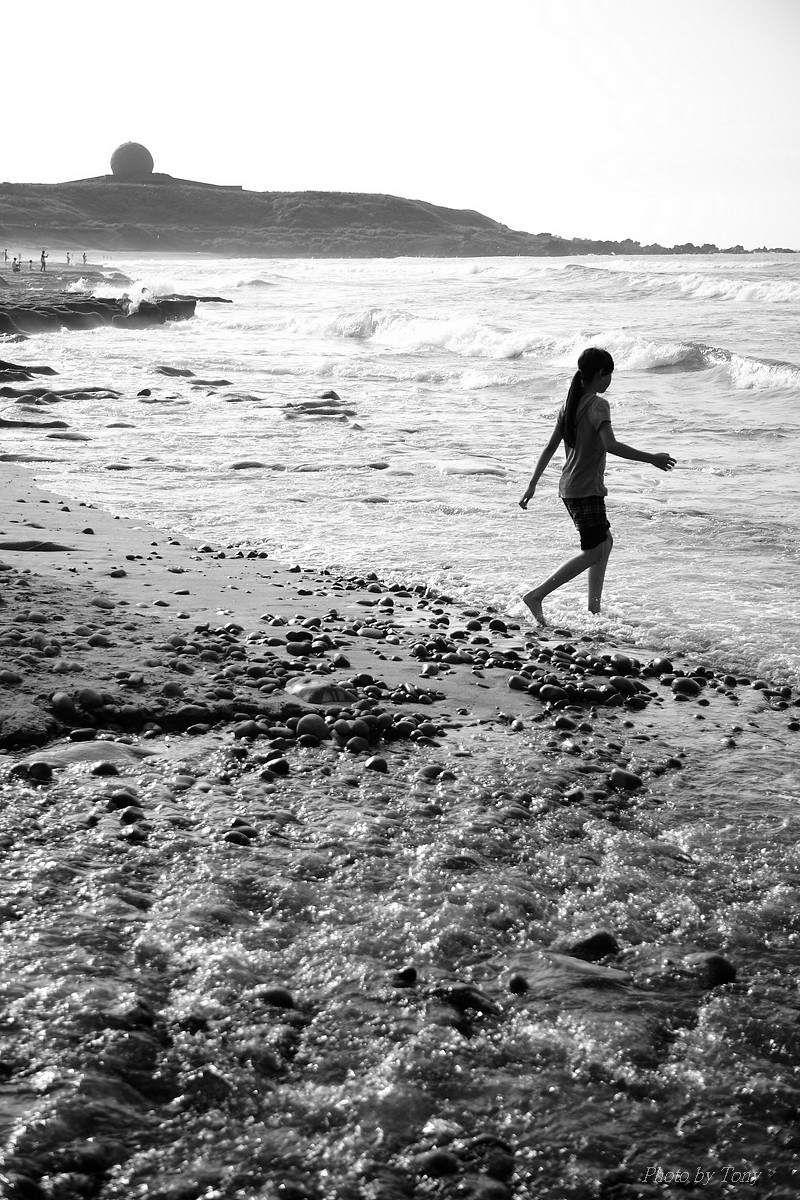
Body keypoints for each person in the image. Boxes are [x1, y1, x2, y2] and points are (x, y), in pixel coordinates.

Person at [518, 347, 676, 625]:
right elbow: (610, 444)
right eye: (609, 374)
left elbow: (549, 448)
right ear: (601, 374)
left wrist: (532, 485)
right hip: (584, 489)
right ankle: (537, 595)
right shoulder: (598, 405)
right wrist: (652, 458)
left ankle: (593, 609)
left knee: (605, 543)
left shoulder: (569, 405)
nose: (610, 380)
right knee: (593, 551)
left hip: (572, 487)